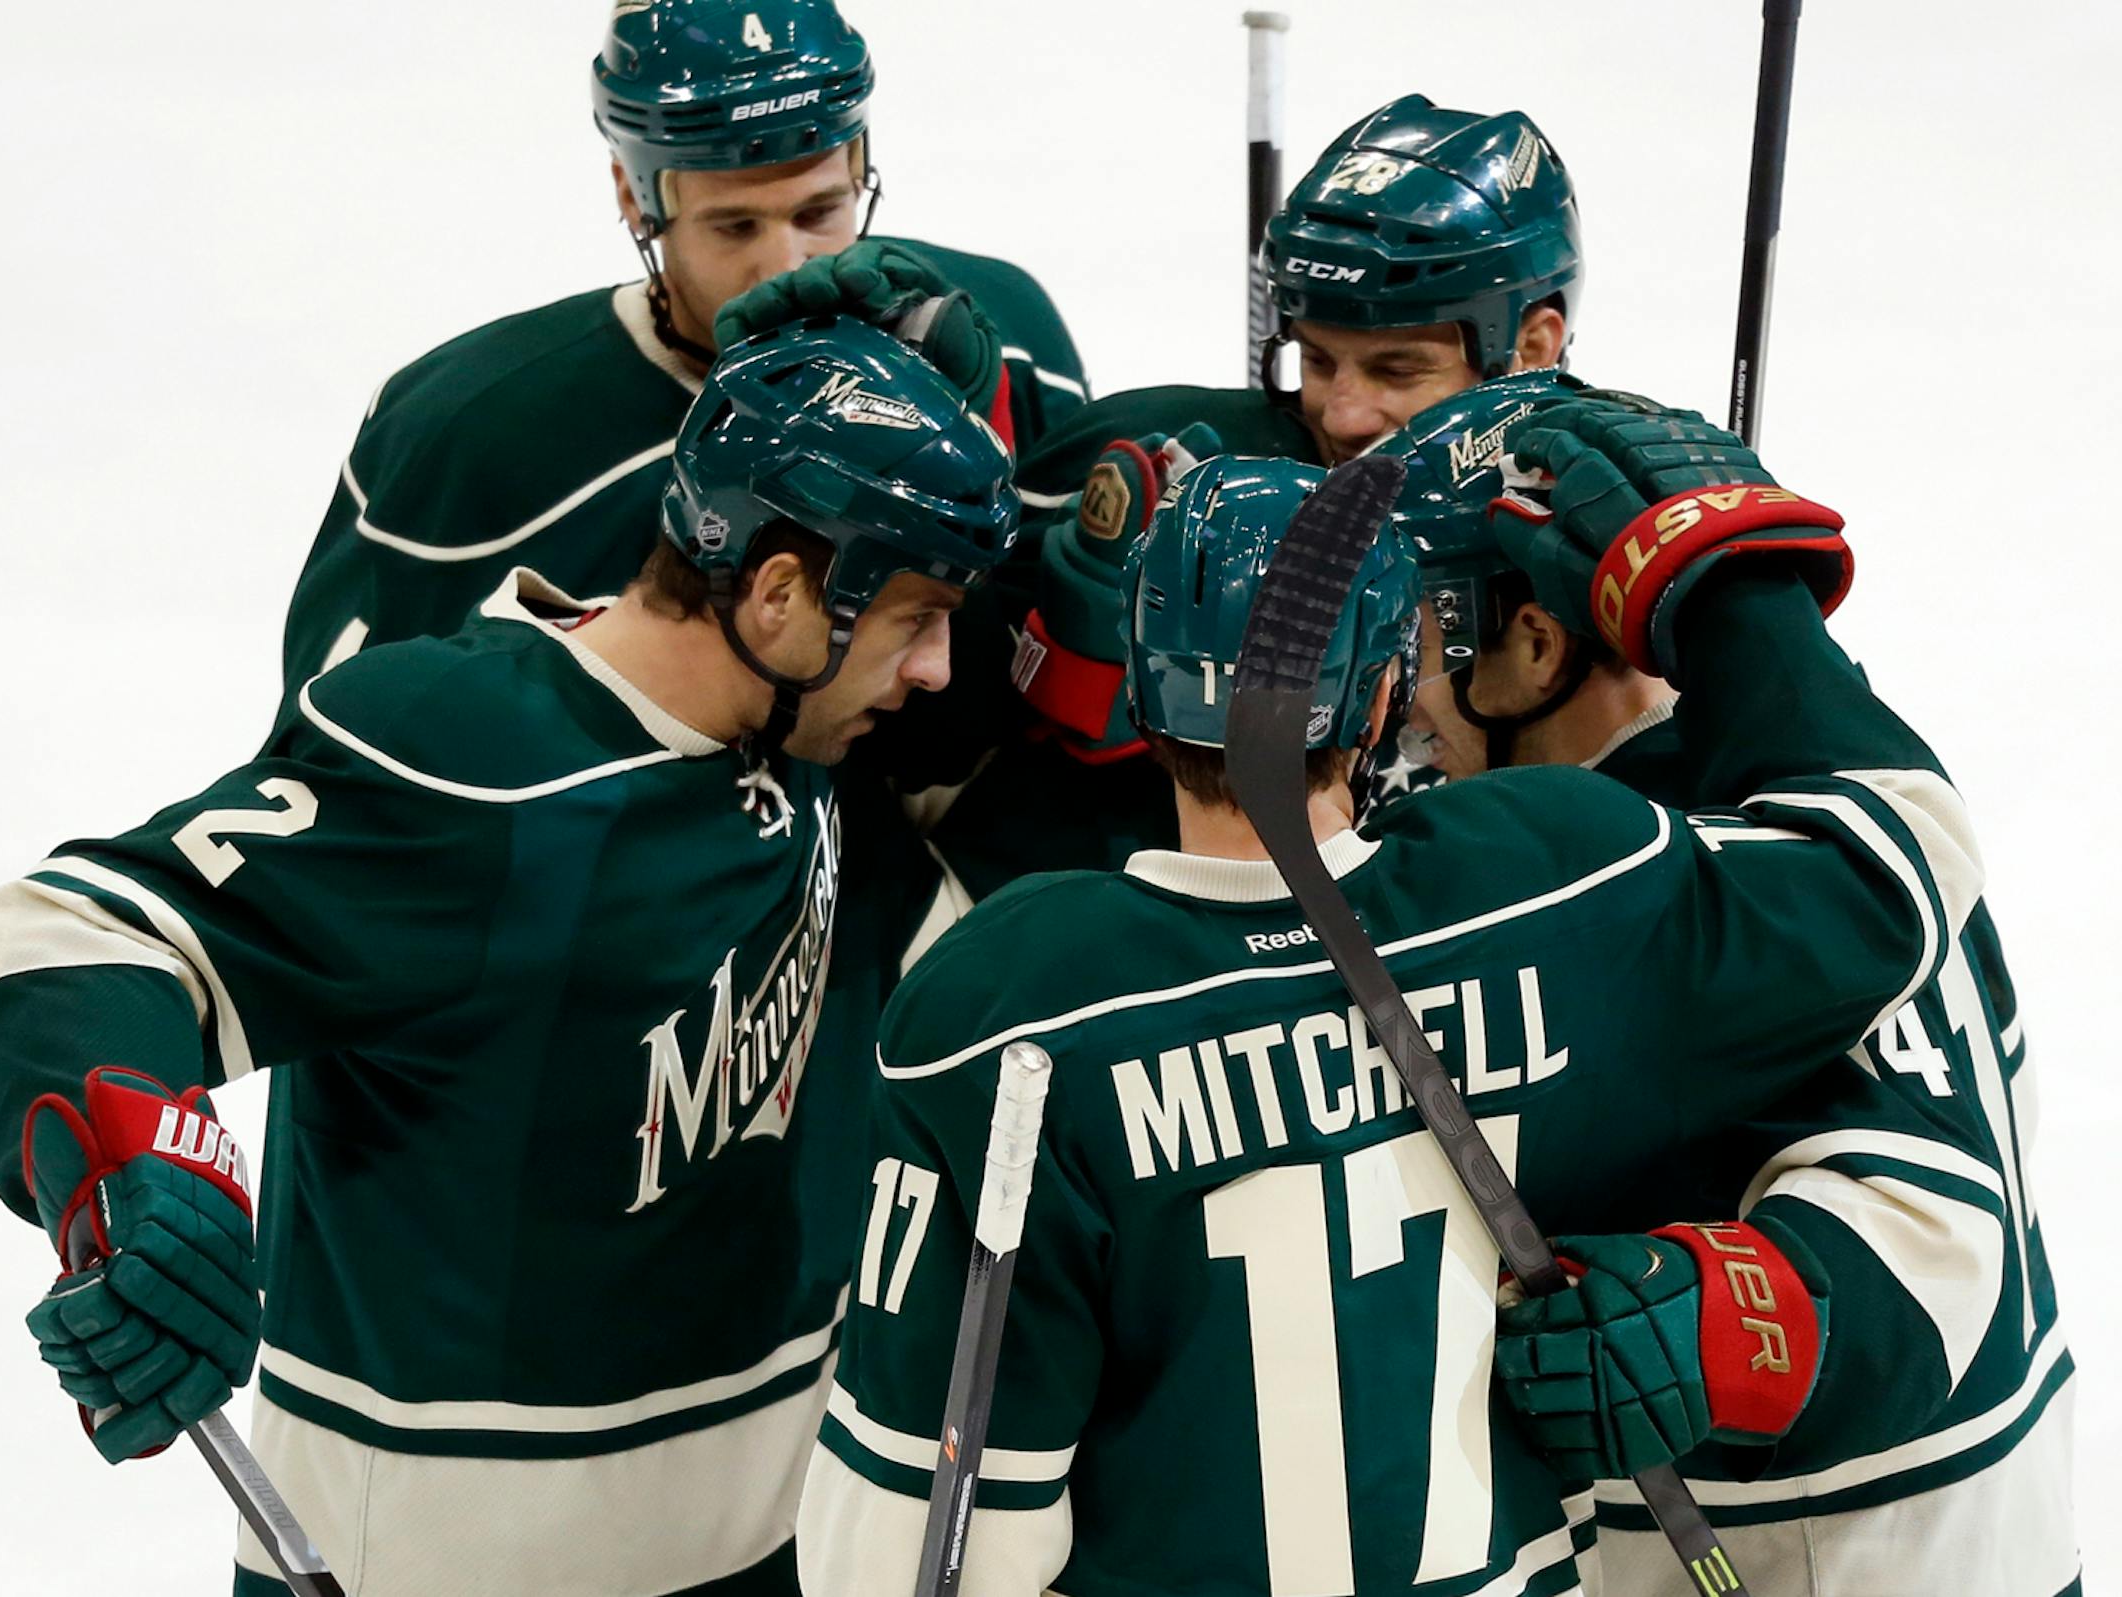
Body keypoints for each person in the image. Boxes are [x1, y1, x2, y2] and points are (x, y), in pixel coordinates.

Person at [794, 400, 1993, 1596]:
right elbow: (1904, 864)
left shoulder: (1008, 1011)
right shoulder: (1555, 873)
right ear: (1373, 701)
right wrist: (1731, 582)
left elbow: (905, 1567)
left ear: (1146, 696)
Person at [0, 321, 1018, 1597]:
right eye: (916, 618)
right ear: (783, 594)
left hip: (767, 1540)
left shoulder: (790, 744)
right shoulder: (469, 764)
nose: (934, 667)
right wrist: (134, 1162)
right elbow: (80, 931)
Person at [1382, 376, 2078, 1596]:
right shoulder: (1842, 790)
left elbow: (1937, 1229)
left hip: (1818, 1547)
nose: (1401, 692)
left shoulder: (1648, 868)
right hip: (1947, 1531)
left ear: (1538, 643)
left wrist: (1731, 1321)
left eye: (1423, 636)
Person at [276, 0, 1085, 707]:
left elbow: (1047, 681)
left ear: (861, 165)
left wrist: (975, 426)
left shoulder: (1005, 339)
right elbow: (341, 768)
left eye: (820, 210)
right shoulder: (467, 439)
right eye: (735, 226)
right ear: (635, 196)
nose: (788, 266)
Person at [929, 91, 1580, 904]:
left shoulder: (1578, 544)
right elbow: (922, 737)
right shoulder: (1168, 468)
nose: (1341, 414)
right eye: (1316, 359)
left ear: (1532, 347)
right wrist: (1067, 646)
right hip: (1082, 962)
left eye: (1397, 370)